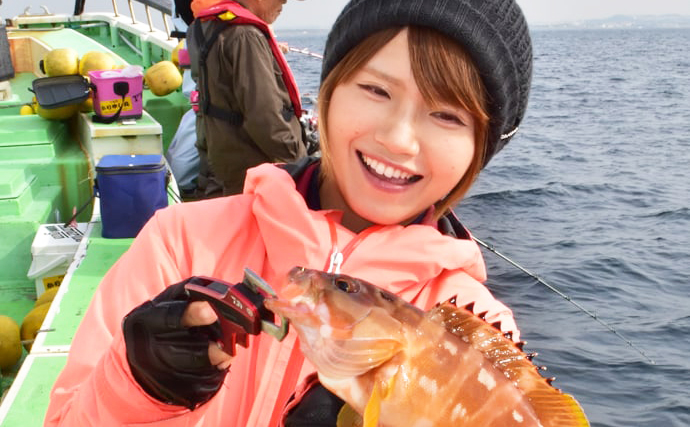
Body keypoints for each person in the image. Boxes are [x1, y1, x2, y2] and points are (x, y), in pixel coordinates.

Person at [44, 0, 532, 425]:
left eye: (447, 116)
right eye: (376, 91)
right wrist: (138, 384)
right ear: (329, 92)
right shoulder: (178, 241)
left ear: (478, 149)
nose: (399, 140)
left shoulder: (484, 325)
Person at [186, 0, 309, 197]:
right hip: (257, 176)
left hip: (224, 165)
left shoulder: (202, 28)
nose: (285, 1)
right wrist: (301, 166)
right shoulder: (246, 36)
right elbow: (264, 117)